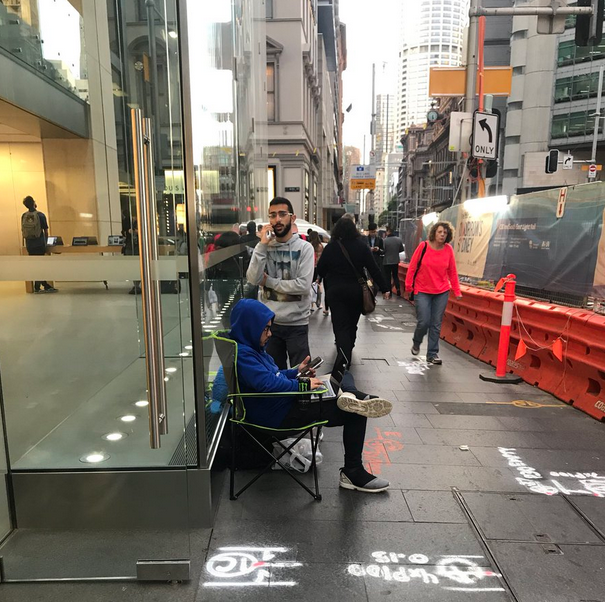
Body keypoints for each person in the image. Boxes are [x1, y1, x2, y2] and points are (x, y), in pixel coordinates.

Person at [229, 298, 393, 492]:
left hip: (281, 404)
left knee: (342, 376)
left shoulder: (251, 349)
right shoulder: (244, 355)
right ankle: (353, 471)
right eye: (265, 329)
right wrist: (302, 384)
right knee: (355, 413)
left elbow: (274, 376)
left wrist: (297, 371)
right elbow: (267, 384)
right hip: (276, 415)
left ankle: (354, 396)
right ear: (251, 327)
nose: (270, 333)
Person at [246, 197, 315, 369]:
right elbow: (253, 279)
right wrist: (262, 245)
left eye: (282, 214)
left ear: (292, 218)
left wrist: (268, 281)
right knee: (273, 376)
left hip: (297, 324)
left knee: (302, 376)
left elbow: (303, 285)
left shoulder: (305, 248)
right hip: (269, 325)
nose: (277, 219)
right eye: (273, 215)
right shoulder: (264, 247)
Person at [317, 216, 391, 373]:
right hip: (356, 292)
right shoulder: (361, 246)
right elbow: (374, 269)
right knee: (352, 325)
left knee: (340, 326)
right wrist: (385, 288)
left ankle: (343, 357)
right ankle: (348, 350)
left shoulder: (331, 247)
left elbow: (321, 270)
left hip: (336, 293)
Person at [404, 221, 462, 365]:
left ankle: (432, 353)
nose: (442, 235)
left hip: (441, 291)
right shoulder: (423, 246)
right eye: (440, 232)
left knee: (436, 323)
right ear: (434, 233)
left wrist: (457, 290)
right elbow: (412, 267)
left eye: (445, 233)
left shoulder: (448, 250)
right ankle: (417, 342)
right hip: (422, 290)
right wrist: (408, 285)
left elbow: (452, 272)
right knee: (424, 321)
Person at [21, 196, 58, 294]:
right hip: (39, 243)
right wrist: (46, 242)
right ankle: (44, 285)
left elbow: (23, 231)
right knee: (41, 265)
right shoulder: (40, 215)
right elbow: (45, 231)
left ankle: (38, 285)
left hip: (29, 244)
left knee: (35, 265)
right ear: (34, 203)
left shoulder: (24, 215)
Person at [383, 226, 404, 297]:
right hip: (395, 261)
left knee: (387, 277)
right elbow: (401, 249)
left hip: (387, 261)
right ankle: (398, 289)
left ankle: (389, 290)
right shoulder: (399, 240)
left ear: (388, 231)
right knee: (395, 275)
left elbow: (383, 250)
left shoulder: (385, 241)